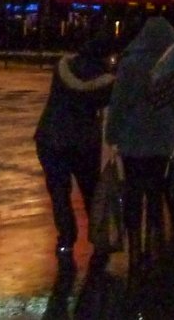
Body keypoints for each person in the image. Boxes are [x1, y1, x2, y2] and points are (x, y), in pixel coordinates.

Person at [35, 33, 118, 268]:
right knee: (90, 192)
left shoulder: (61, 68)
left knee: (59, 193)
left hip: (50, 137)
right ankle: (98, 239)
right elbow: (104, 105)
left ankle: (66, 240)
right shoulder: (105, 80)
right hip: (82, 142)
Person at [106, 16, 174, 272]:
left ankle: (135, 247)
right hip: (161, 141)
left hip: (133, 141)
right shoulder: (171, 67)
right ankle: (152, 242)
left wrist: (112, 135)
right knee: (155, 192)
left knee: (133, 193)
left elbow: (118, 103)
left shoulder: (130, 65)